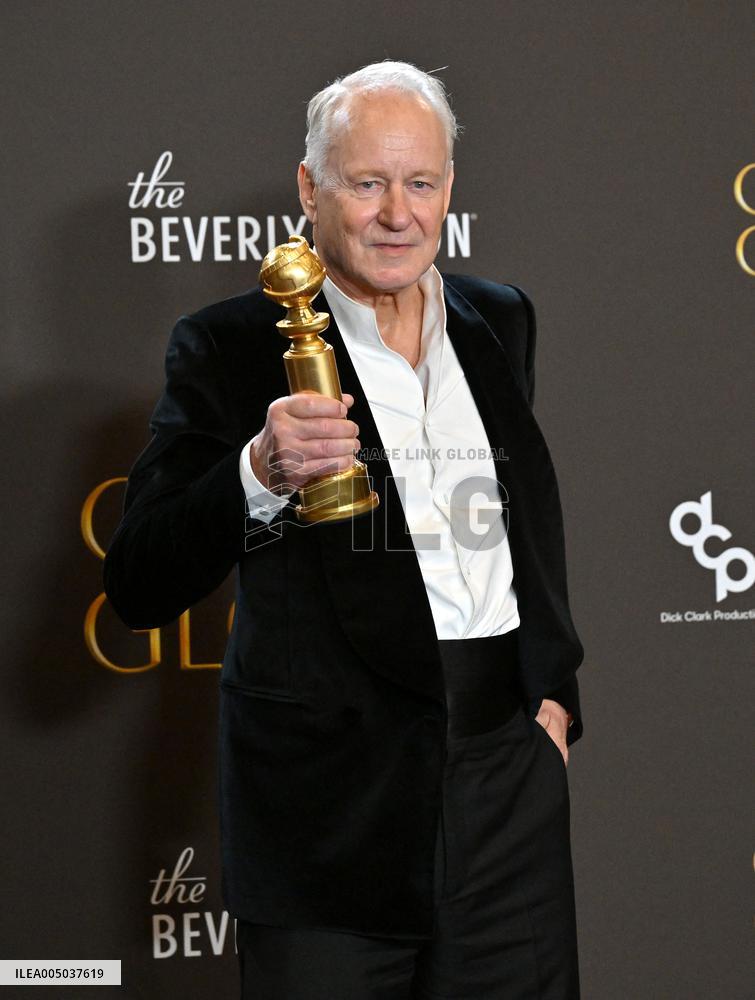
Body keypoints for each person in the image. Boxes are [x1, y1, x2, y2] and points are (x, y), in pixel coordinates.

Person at [104, 61, 585, 999]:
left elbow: (517, 524)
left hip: (505, 788)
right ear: (309, 188)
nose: (395, 214)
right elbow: (138, 581)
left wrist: (551, 701)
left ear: (449, 187)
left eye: (419, 182)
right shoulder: (233, 345)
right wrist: (257, 472)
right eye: (366, 183)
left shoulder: (499, 318)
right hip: (328, 813)